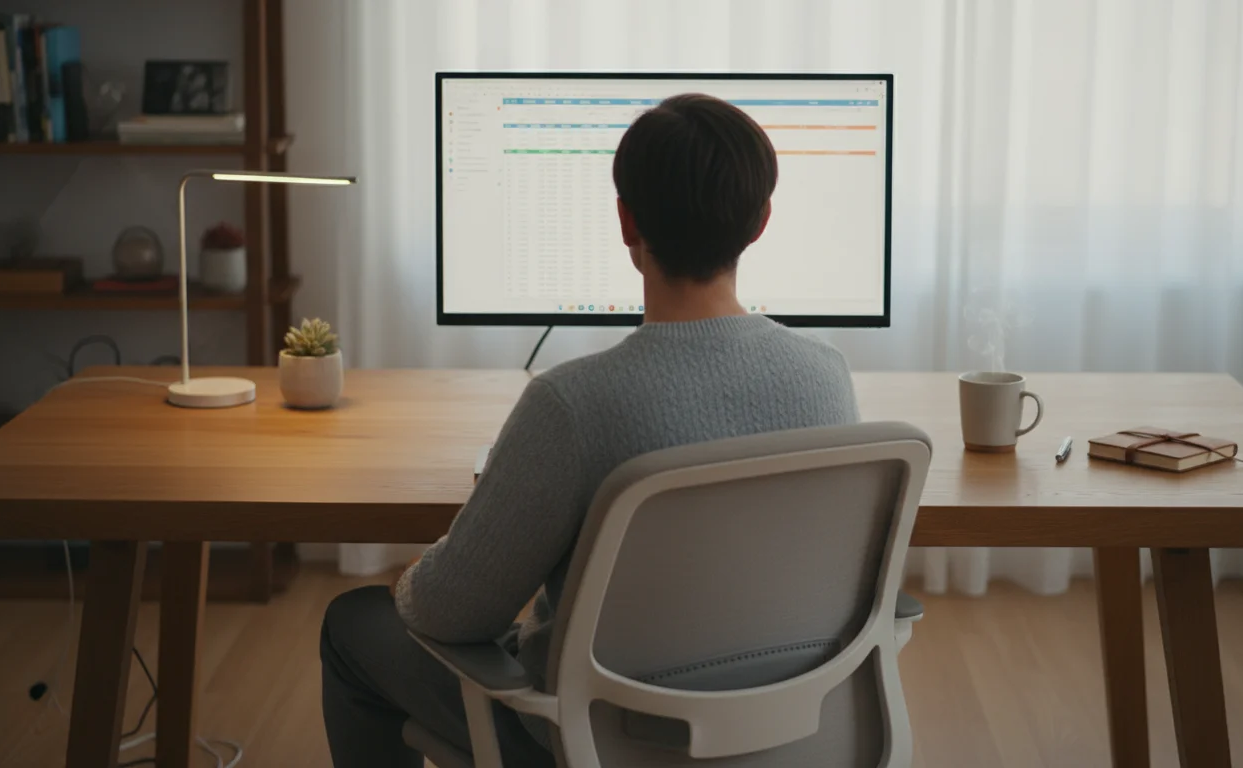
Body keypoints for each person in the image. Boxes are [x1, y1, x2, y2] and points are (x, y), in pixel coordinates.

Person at [320, 93, 859, 767]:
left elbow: (448, 614)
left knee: (353, 624)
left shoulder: (571, 404)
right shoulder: (827, 378)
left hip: (595, 744)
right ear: (760, 223)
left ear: (626, 220)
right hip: (782, 734)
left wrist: (422, 568)